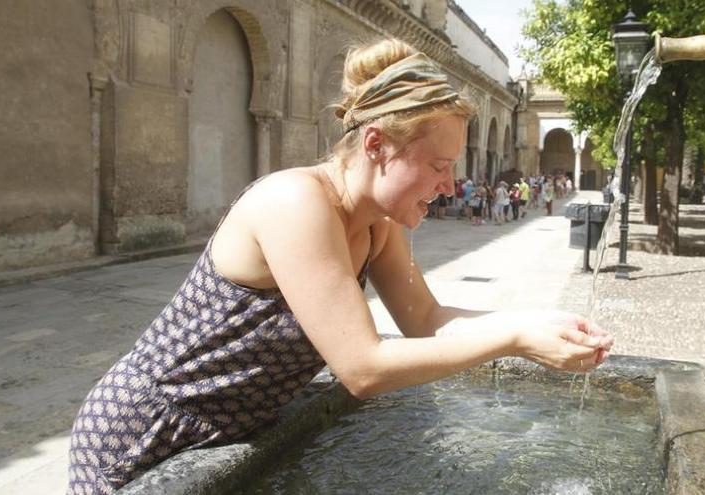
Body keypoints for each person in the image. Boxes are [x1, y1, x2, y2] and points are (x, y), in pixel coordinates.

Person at [67, 38, 612, 494]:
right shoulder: (294, 201)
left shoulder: (379, 225)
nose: (449, 186)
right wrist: (513, 339)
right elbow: (362, 367)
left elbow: (425, 318)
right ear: (376, 144)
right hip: (144, 436)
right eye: (439, 166)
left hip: (228, 435)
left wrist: (536, 322)